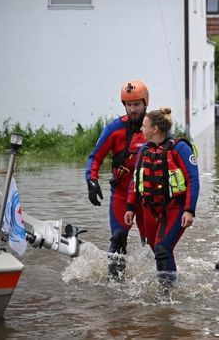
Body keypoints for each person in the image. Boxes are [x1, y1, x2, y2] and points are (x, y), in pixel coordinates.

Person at [124, 107, 199, 289]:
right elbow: (136, 180)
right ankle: (166, 286)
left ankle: (168, 295)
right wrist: (130, 207)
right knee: (157, 250)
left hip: (175, 208)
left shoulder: (180, 148)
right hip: (150, 209)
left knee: (163, 249)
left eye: (144, 126)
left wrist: (189, 211)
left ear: (155, 129)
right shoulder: (143, 151)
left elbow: (193, 180)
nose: (141, 129)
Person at [85, 80, 149, 279]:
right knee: (118, 239)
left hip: (148, 196)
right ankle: (115, 289)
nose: (132, 109)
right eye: (128, 105)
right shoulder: (114, 129)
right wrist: (92, 181)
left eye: (136, 104)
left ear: (145, 103)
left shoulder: (154, 127)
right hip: (122, 194)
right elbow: (95, 158)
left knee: (153, 244)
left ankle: (156, 284)